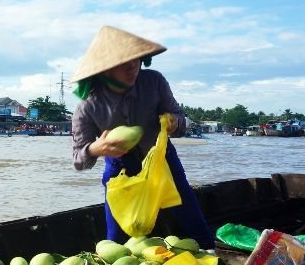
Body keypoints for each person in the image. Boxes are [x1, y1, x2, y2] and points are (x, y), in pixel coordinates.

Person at [70, 25, 215, 249]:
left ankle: (209, 252)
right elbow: (79, 160)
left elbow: (180, 119)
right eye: (123, 65)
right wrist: (96, 149)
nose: (132, 69)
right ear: (106, 70)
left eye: (136, 61)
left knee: (194, 222)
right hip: (120, 171)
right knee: (116, 239)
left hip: (162, 162)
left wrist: (175, 122)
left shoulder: (153, 82)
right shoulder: (87, 107)